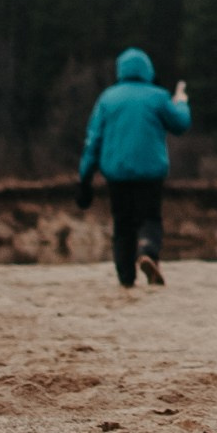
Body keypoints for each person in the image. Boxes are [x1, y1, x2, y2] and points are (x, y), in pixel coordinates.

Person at [78, 49, 192, 288]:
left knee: (123, 225)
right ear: (147, 70)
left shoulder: (107, 99)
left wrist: (85, 178)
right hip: (150, 174)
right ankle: (148, 251)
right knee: (149, 217)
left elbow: (93, 140)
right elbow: (181, 124)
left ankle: (126, 280)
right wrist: (180, 102)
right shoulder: (158, 97)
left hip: (117, 174)